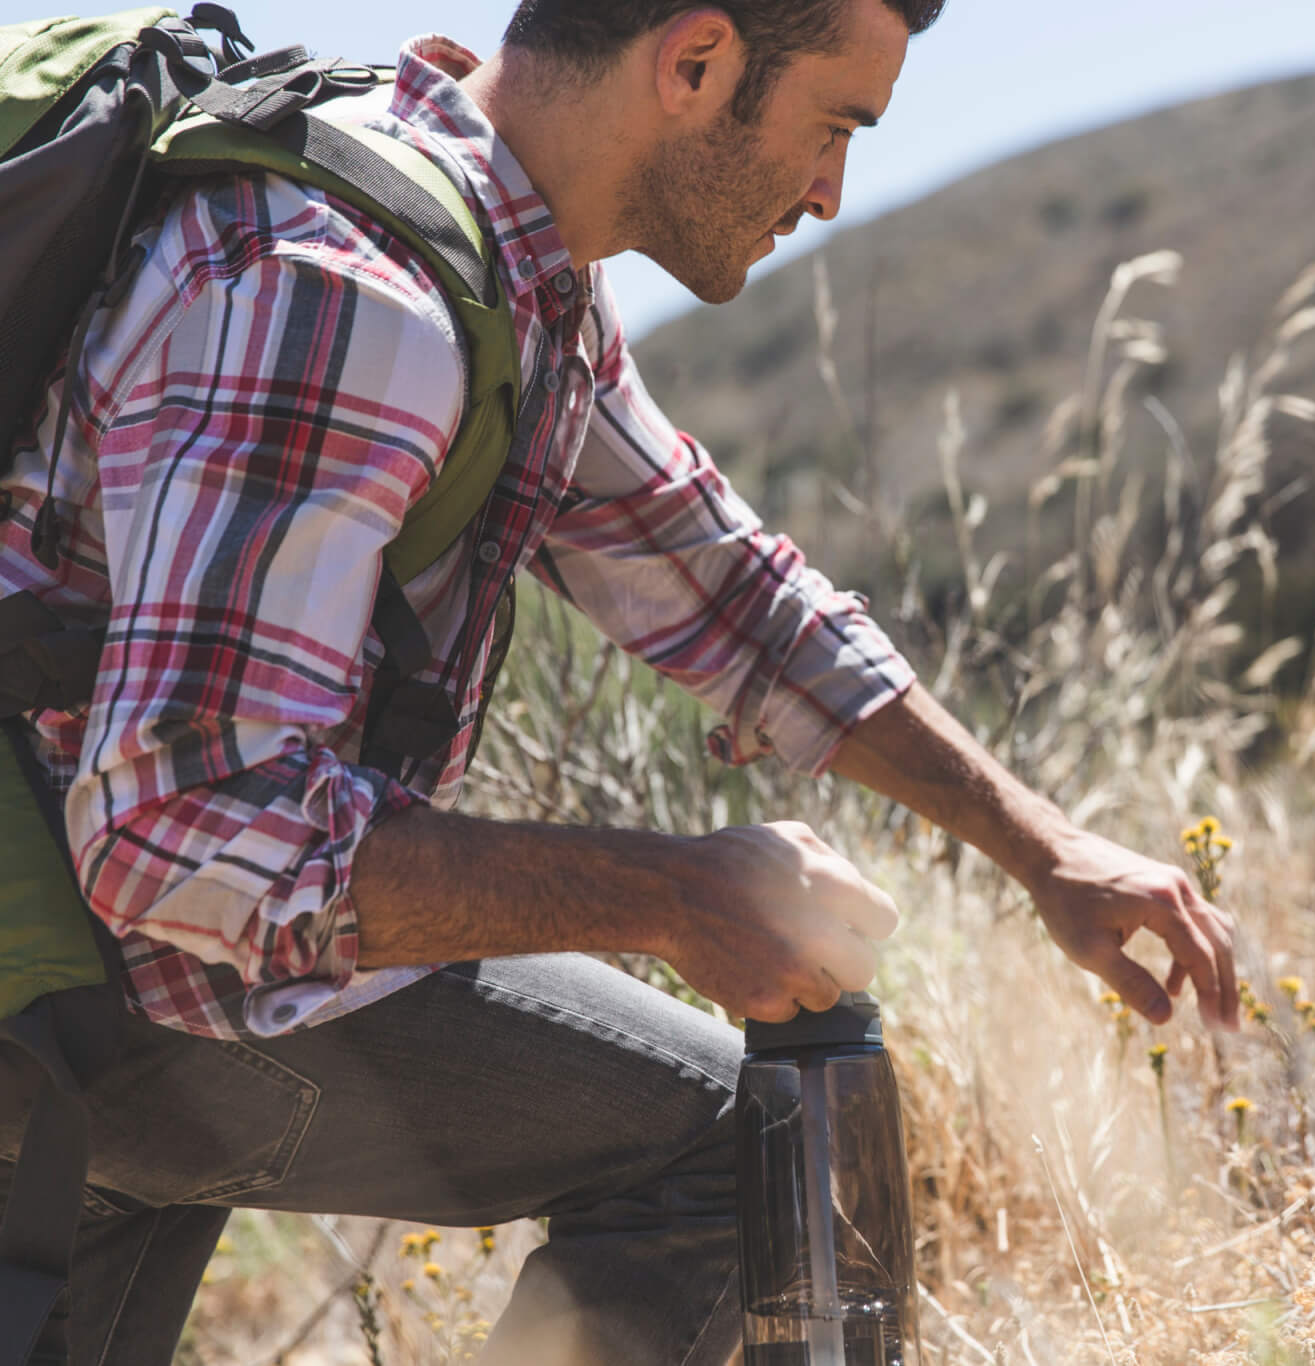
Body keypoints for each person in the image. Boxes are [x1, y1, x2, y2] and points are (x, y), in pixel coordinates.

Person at [0, 0, 1239, 1360]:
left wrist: (1044, 845)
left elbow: (729, 591)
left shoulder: (503, 267)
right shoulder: (351, 292)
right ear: (695, 63)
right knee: (720, 1142)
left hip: (75, 962)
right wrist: (671, 895)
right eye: (835, 128)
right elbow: (180, 832)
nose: (830, 195)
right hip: (111, 992)